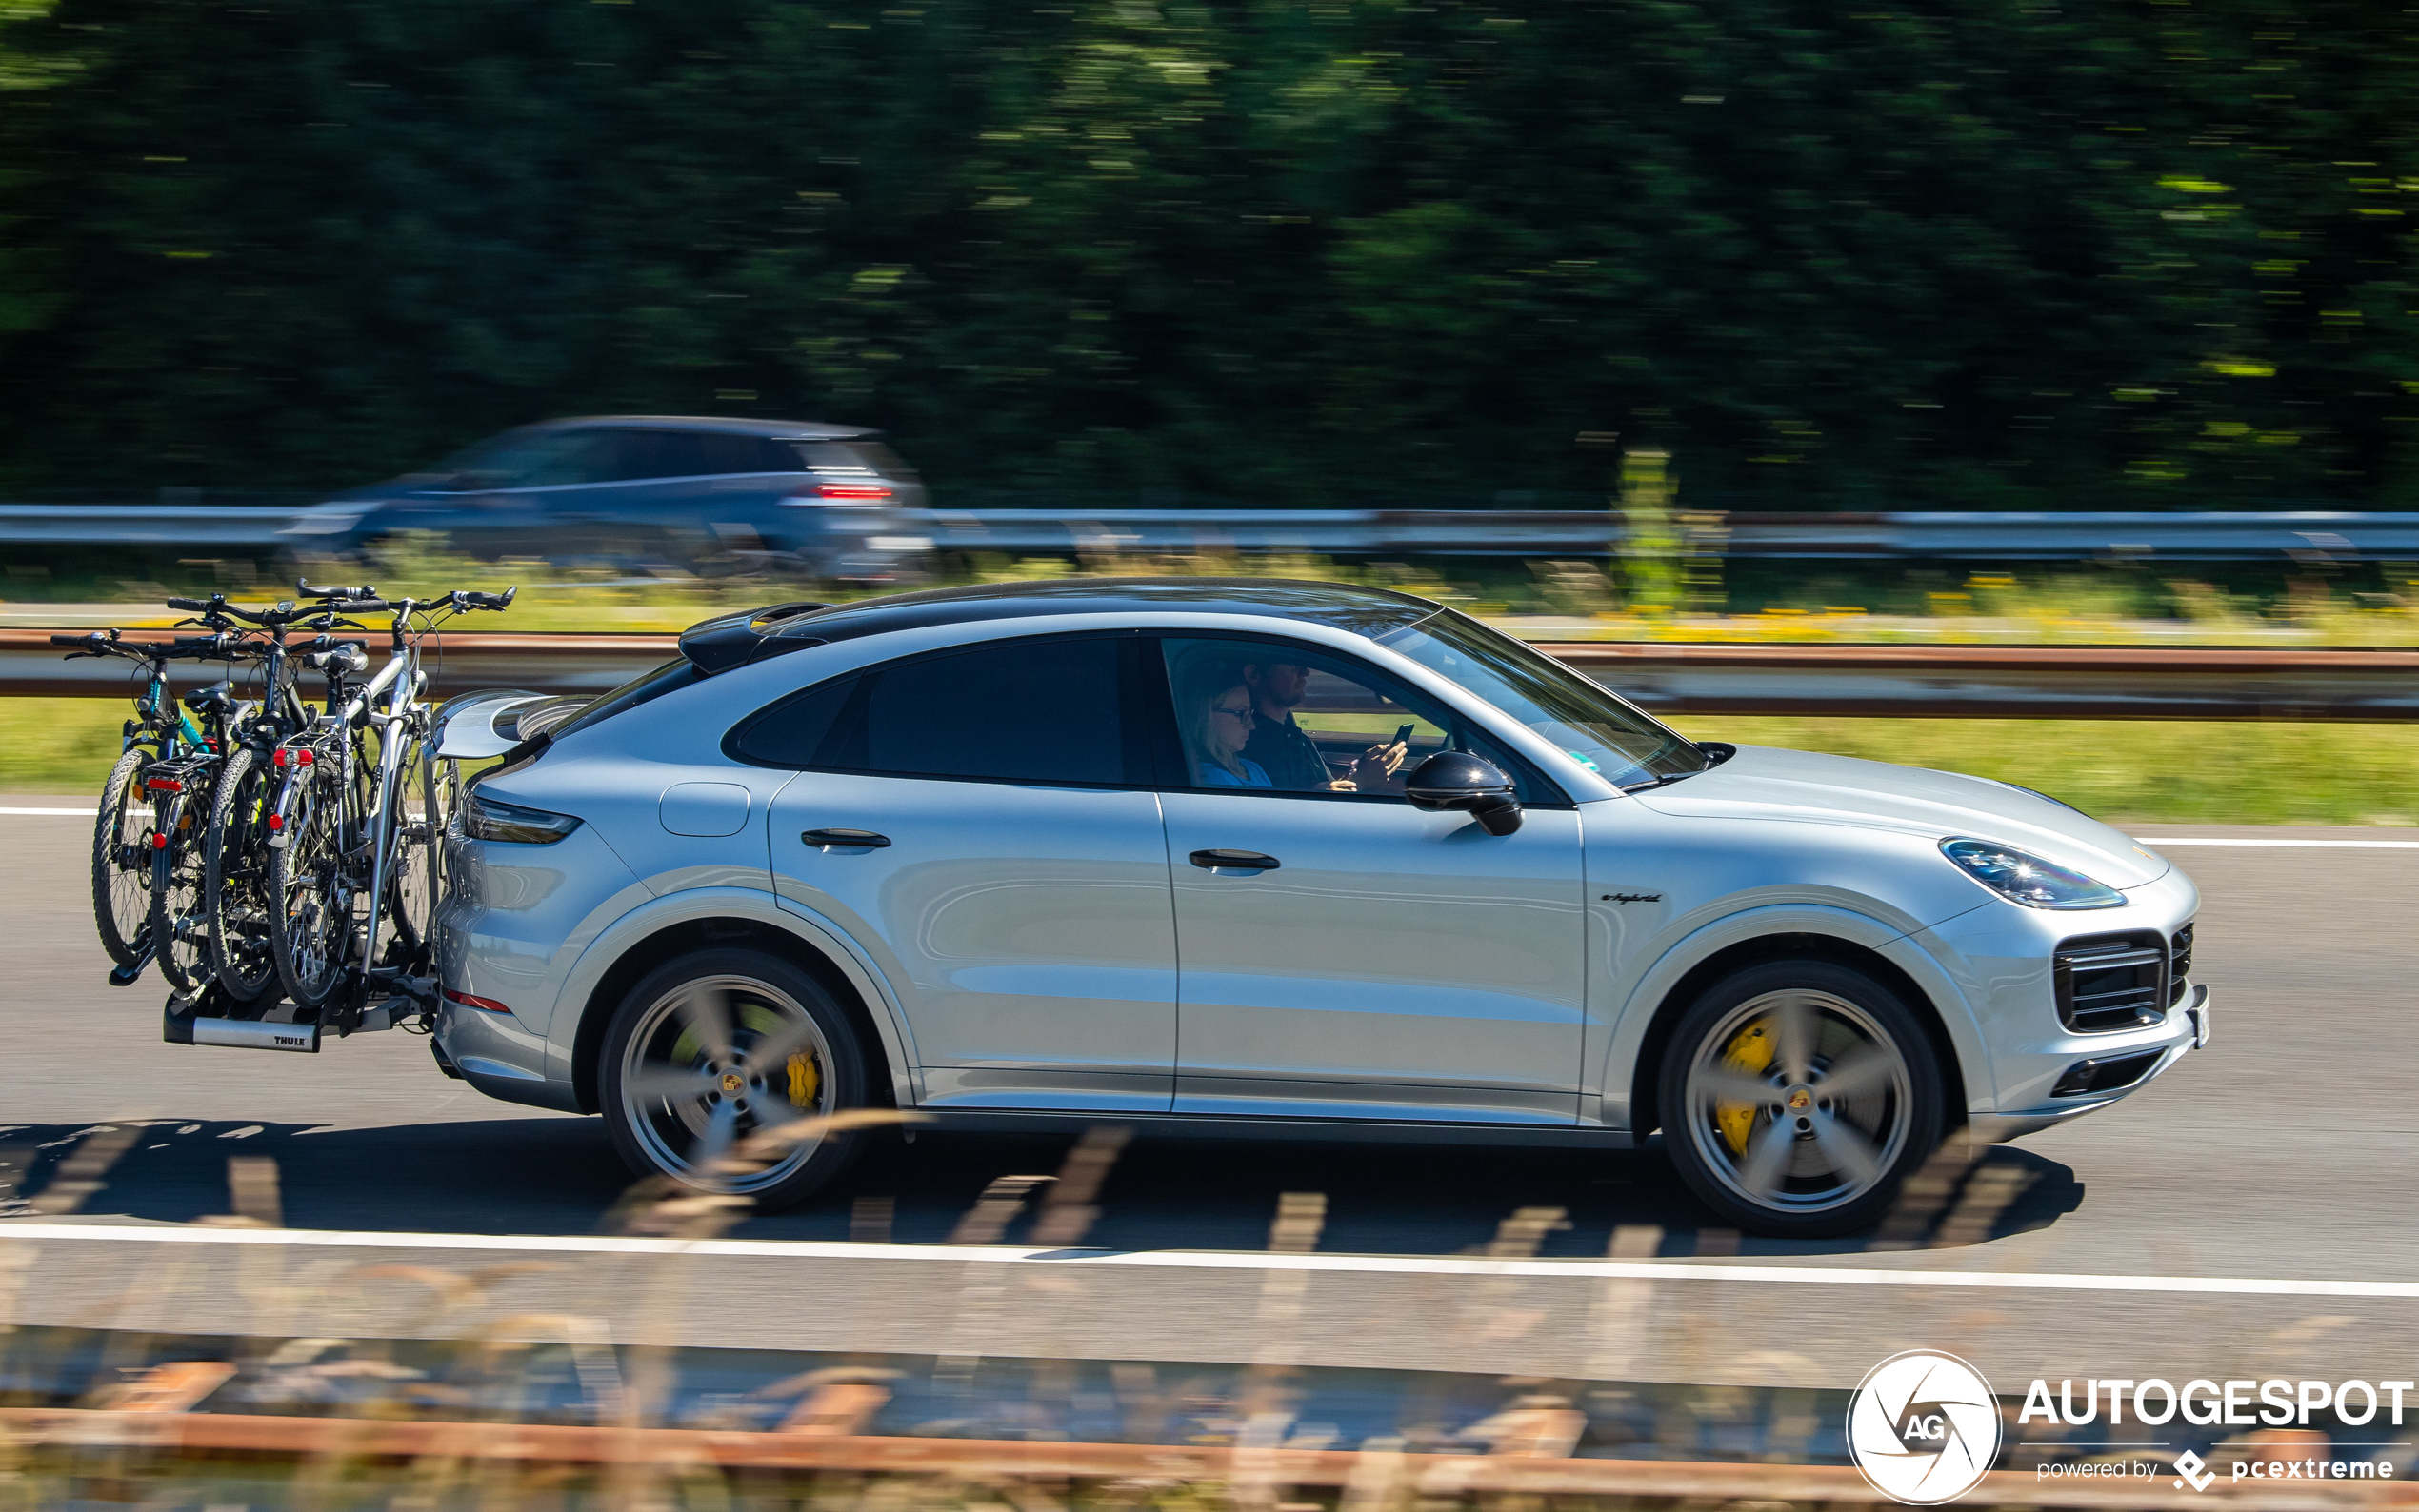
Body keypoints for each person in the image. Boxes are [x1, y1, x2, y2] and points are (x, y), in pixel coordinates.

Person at [1240, 659, 1409, 792]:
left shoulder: (1292, 736)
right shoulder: (1253, 746)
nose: (1305, 672)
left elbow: (1318, 791)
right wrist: (1360, 780)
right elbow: (1294, 816)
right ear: (1254, 674)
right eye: (1293, 664)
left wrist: (1355, 775)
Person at [1188, 678, 1272, 788]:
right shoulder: (1211, 778)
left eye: (1250, 713)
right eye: (1240, 713)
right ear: (1205, 715)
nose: (1252, 725)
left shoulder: (1253, 768)